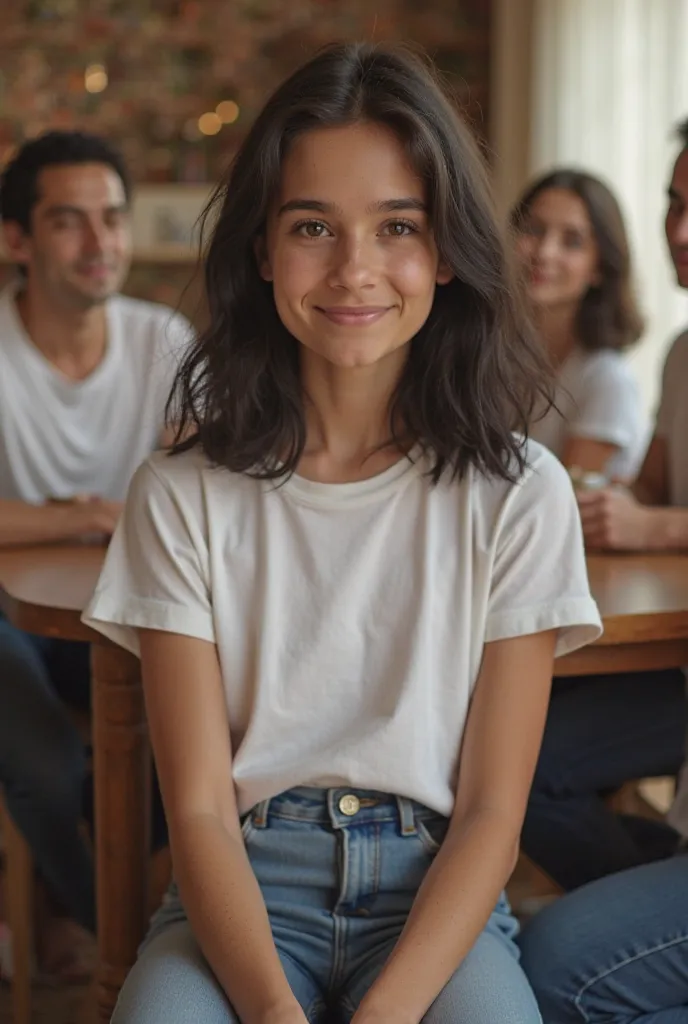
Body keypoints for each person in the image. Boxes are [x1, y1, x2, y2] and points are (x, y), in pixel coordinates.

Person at [83, 43, 601, 1024]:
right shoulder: (180, 493)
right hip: (236, 891)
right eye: (313, 225)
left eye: (396, 226)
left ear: (446, 250)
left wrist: (388, 1013)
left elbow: (492, 811)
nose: (354, 269)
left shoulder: (519, 491)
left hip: (436, 896)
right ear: (261, 251)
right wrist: (276, 1014)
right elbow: (194, 804)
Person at [0, 130, 189, 979]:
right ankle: (120, 934)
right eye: (69, 222)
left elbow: (214, 483)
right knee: (38, 749)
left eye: (112, 218)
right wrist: (86, 515)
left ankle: (84, 917)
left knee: (191, 715)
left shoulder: (165, 341)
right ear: (17, 240)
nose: (100, 242)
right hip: (11, 615)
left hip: (125, 605)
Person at [518, 118, 688, 1023]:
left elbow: (644, 506)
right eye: (676, 204)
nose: (684, 230)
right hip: (671, 647)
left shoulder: (613, 369)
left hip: (665, 657)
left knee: (518, 763)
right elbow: (643, 484)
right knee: (516, 758)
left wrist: (652, 520)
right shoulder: (680, 353)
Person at [513, 168, 647, 480]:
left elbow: (563, 507)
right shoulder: (501, 357)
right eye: (534, 229)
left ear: (599, 267)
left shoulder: (608, 381)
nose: (545, 252)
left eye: (571, 241)